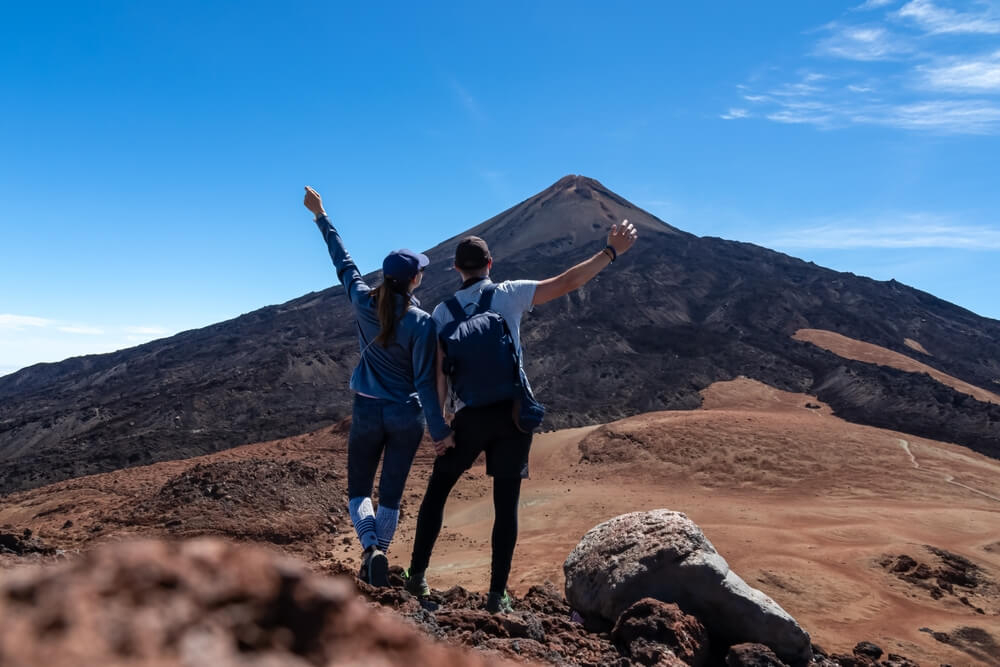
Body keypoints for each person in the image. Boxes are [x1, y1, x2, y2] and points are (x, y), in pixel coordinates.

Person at [405, 221, 638, 612]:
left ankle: (416, 577)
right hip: (513, 416)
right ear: (490, 264)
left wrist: (442, 427)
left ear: (456, 269)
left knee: (437, 494)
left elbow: (437, 373)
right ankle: (498, 595)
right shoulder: (509, 294)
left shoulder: (442, 314)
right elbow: (566, 282)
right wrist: (610, 252)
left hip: (468, 418)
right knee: (506, 504)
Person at [303, 186, 455, 588]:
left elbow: (344, 264)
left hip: (367, 410)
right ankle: (380, 555)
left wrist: (321, 215)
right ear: (414, 279)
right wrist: (440, 432)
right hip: (407, 415)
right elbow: (425, 381)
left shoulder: (362, 302)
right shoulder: (423, 323)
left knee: (359, 489)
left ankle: (370, 549)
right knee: (391, 494)